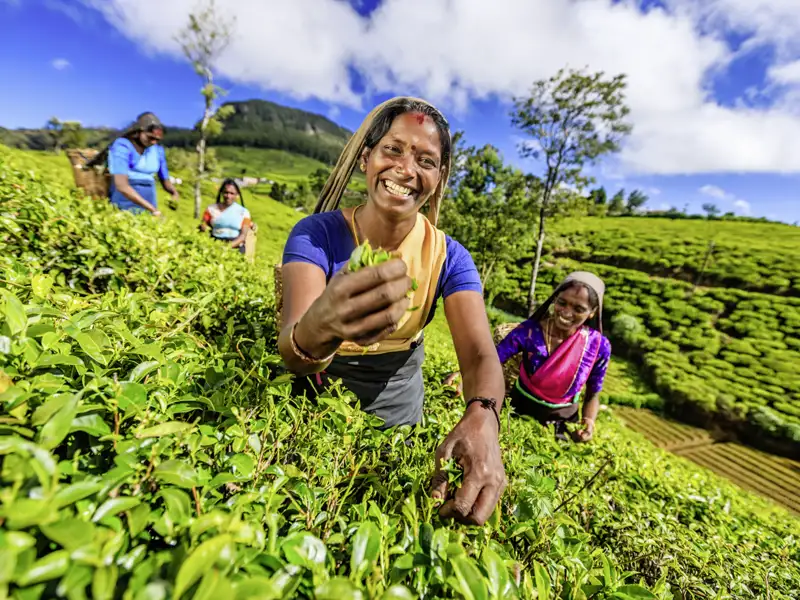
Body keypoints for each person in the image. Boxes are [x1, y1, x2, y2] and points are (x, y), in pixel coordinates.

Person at [279, 96, 507, 526]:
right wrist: (322, 324)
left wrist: (483, 415)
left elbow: (479, 355)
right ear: (366, 158)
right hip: (315, 390)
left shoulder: (448, 257)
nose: (406, 169)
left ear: (438, 179)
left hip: (397, 397)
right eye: (393, 150)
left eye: (426, 160)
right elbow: (292, 351)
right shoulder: (317, 236)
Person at [488, 272, 611, 442]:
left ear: (592, 313)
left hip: (561, 425)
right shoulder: (530, 331)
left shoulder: (598, 347)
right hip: (517, 413)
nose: (566, 313)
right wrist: (463, 376)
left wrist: (588, 422)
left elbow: (593, 394)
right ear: (554, 299)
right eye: (562, 303)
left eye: (578, 309)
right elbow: (493, 360)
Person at [106, 112, 179, 216]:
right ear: (139, 132)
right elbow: (121, 185)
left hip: (149, 199)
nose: (153, 142)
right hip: (124, 199)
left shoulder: (157, 151)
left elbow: (165, 180)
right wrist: (152, 209)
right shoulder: (122, 146)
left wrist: (174, 192)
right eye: (150, 137)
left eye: (157, 140)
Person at [199, 178, 252, 254]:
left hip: (235, 247)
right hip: (214, 244)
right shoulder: (211, 209)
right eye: (226, 192)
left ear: (237, 195)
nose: (228, 196)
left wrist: (227, 247)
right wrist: (203, 227)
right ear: (221, 193)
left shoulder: (244, 212)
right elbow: (203, 223)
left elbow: (243, 236)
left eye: (232, 193)